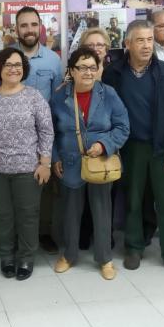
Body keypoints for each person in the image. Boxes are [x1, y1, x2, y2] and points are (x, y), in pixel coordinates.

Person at [102, 20, 164, 277]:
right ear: (127, 44)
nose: (147, 45)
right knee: (133, 200)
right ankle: (134, 247)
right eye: (140, 40)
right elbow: (106, 112)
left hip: (162, 149)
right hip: (130, 148)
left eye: (150, 39)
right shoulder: (114, 74)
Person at [52, 47, 129, 279]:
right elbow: (49, 132)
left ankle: (105, 259)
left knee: (102, 211)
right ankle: (69, 255)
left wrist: (104, 144)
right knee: (70, 213)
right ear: (72, 71)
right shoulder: (59, 96)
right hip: (70, 162)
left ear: (99, 70)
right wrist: (54, 157)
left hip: (101, 163)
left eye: (92, 67)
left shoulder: (109, 94)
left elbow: (123, 126)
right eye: (82, 67)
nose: (88, 72)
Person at [0, 48, 53, 280]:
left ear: (24, 68)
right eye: (8, 64)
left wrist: (45, 162)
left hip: (28, 168)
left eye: (18, 64)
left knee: (28, 214)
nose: (13, 69)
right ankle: (7, 257)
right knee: (2, 214)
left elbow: (46, 130)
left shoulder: (34, 96)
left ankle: (26, 258)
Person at [15, 6, 64, 253]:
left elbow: (58, 100)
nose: (30, 30)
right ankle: (19, 235)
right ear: (16, 29)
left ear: (40, 27)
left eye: (34, 25)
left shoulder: (53, 60)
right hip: (15, 137)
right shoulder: (7, 57)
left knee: (45, 187)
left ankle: (44, 232)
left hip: (46, 135)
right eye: (24, 25)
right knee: (18, 187)